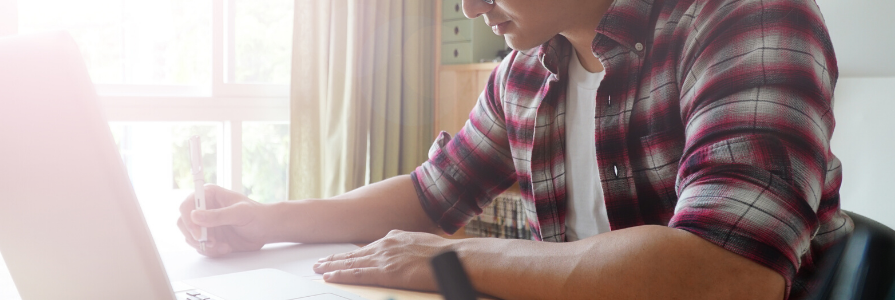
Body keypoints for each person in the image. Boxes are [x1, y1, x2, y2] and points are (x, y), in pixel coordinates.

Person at [176, 0, 851, 299]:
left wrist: (455, 260)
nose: (470, 8)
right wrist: (267, 219)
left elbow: (725, 276)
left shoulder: (750, 15)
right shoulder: (525, 71)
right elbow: (430, 193)